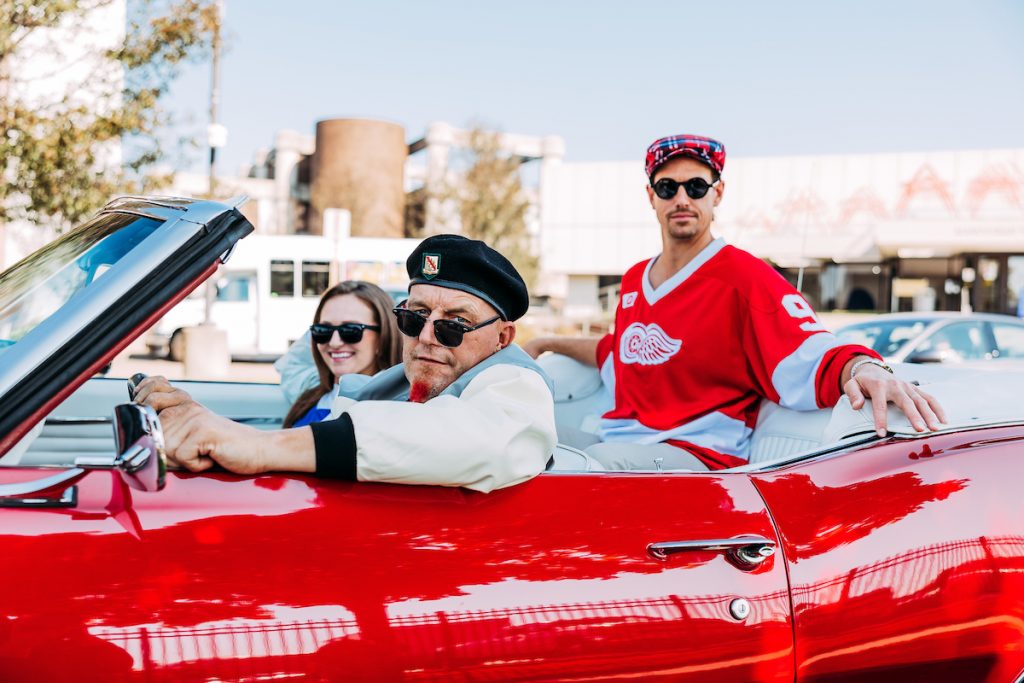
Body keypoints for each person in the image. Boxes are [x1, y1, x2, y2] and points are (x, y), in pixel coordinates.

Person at [525, 134, 946, 471]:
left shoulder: (744, 276)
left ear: (717, 193)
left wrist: (868, 367)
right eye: (668, 187)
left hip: (698, 453)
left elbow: (811, 349)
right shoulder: (636, 278)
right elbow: (621, 351)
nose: (682, 199)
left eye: (696, 186)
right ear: (651, 196)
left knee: (565, 471)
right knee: (519, 445)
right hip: (624, 440)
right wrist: (546, 342)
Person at [136, 234, 557, 492]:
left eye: (455, 325)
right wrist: (206, 426)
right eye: (414, 317)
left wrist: (259, 446)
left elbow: (481, 440)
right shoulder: (388, 386)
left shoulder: (515, 384)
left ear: (502, 338)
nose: (426, 336)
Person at [281, 281, 402, 428]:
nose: (334, 343)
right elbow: (292, 362)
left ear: (383, 335)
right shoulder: (313, 388)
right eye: (323, 330)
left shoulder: (394, 407)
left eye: (351, 330)